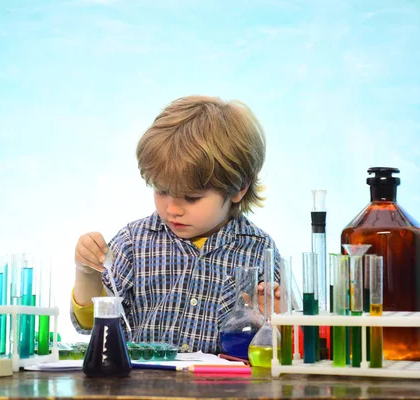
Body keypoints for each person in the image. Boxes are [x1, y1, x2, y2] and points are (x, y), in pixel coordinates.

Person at [71, 95, 282, 354]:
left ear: (239, 189)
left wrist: (276, 316)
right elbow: (91, 326)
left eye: (191, 198)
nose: (171, 210)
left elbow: (276, 339)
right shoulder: (133, 242)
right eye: (161, 191)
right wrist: (87, 273)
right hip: (141, 390)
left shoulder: (259, 251)